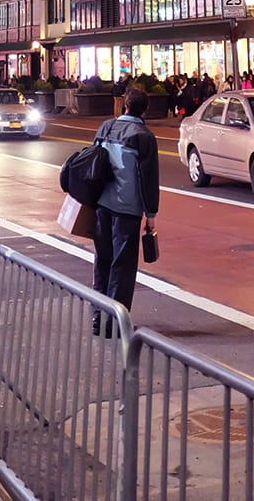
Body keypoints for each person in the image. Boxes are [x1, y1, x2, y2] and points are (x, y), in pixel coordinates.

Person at [90, 87, 160, 334]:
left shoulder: (105, 127)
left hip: (101, 205)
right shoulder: (144, 136)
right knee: (123, 266)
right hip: (127, 209)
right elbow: (149, 179)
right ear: (145, 109)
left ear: (124, 105)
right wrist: (150, 216)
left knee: (102, 261)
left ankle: (98, 318)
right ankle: (115, 323)